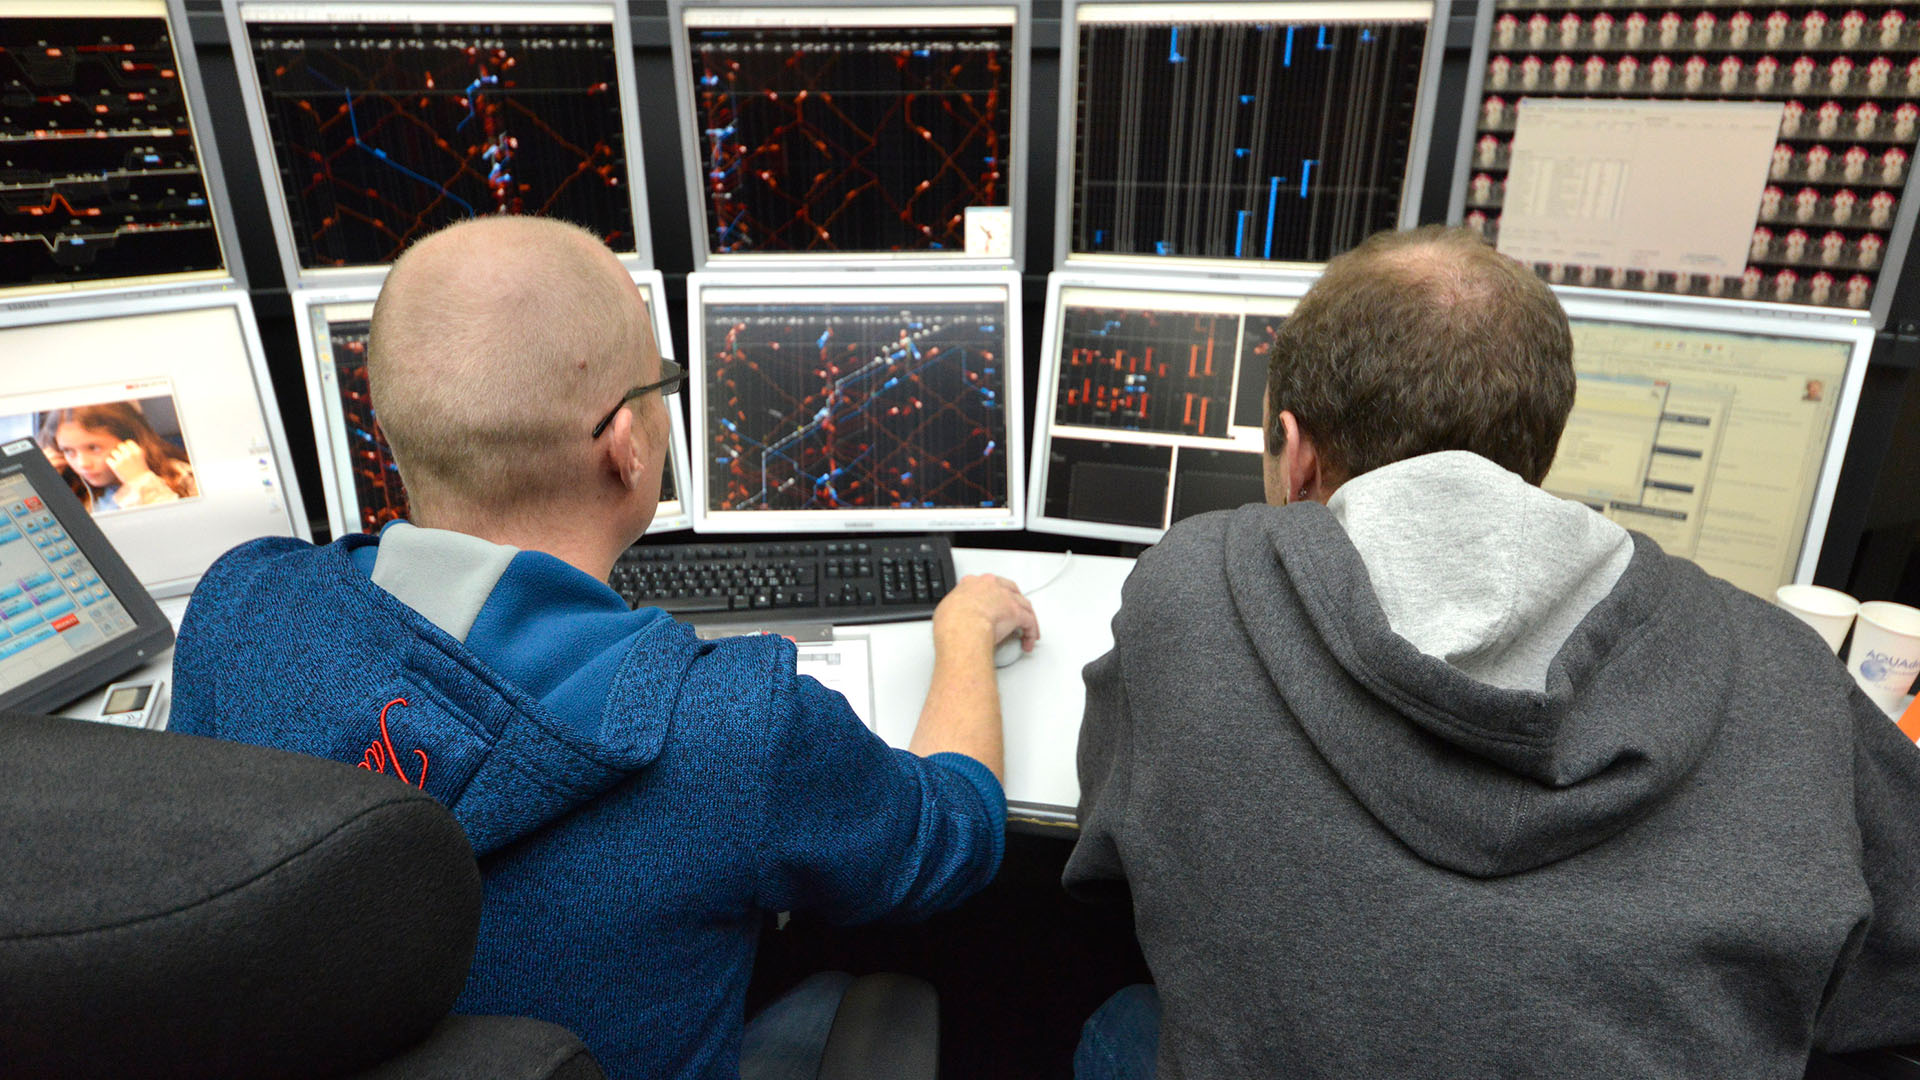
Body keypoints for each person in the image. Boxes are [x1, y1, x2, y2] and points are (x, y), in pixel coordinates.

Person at [168, 215, 1037, 1080]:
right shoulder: (735, 728)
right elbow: (951, 840)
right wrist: (963, 635)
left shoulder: (239, 609)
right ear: (626, 447)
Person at [1064, 226, 1920, 1078]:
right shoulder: (1789, 671)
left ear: (1298, 457)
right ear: (1538, 453)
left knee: (1123, 1020)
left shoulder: (1186, 590)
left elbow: (1105, 858)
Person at [39, 401, 197, 512]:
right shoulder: (78, 489)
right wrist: (45, 484)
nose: (82, 464)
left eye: (93, 448)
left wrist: (141, 481)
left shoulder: (180, 474)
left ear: (130, 442)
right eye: (68, 451)